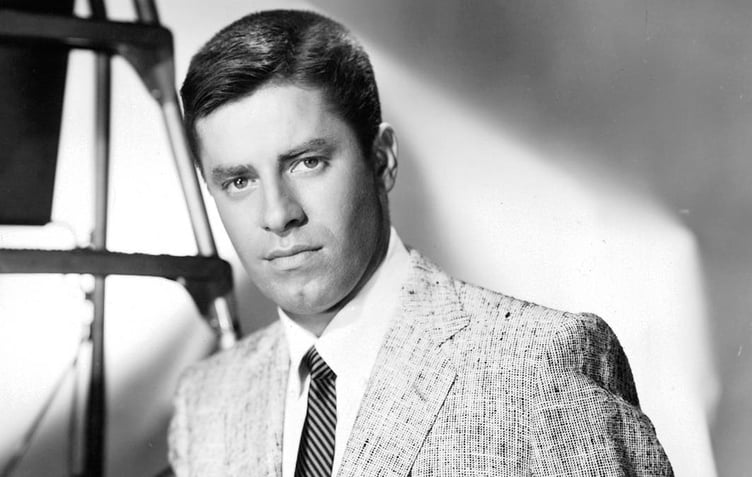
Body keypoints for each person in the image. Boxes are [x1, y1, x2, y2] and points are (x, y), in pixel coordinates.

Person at [168, 9, 672, 476]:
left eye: (307, 162)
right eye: (239, 181)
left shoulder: (539, 366)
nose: (278, 214)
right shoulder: (206, 404)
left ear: (382, 159)